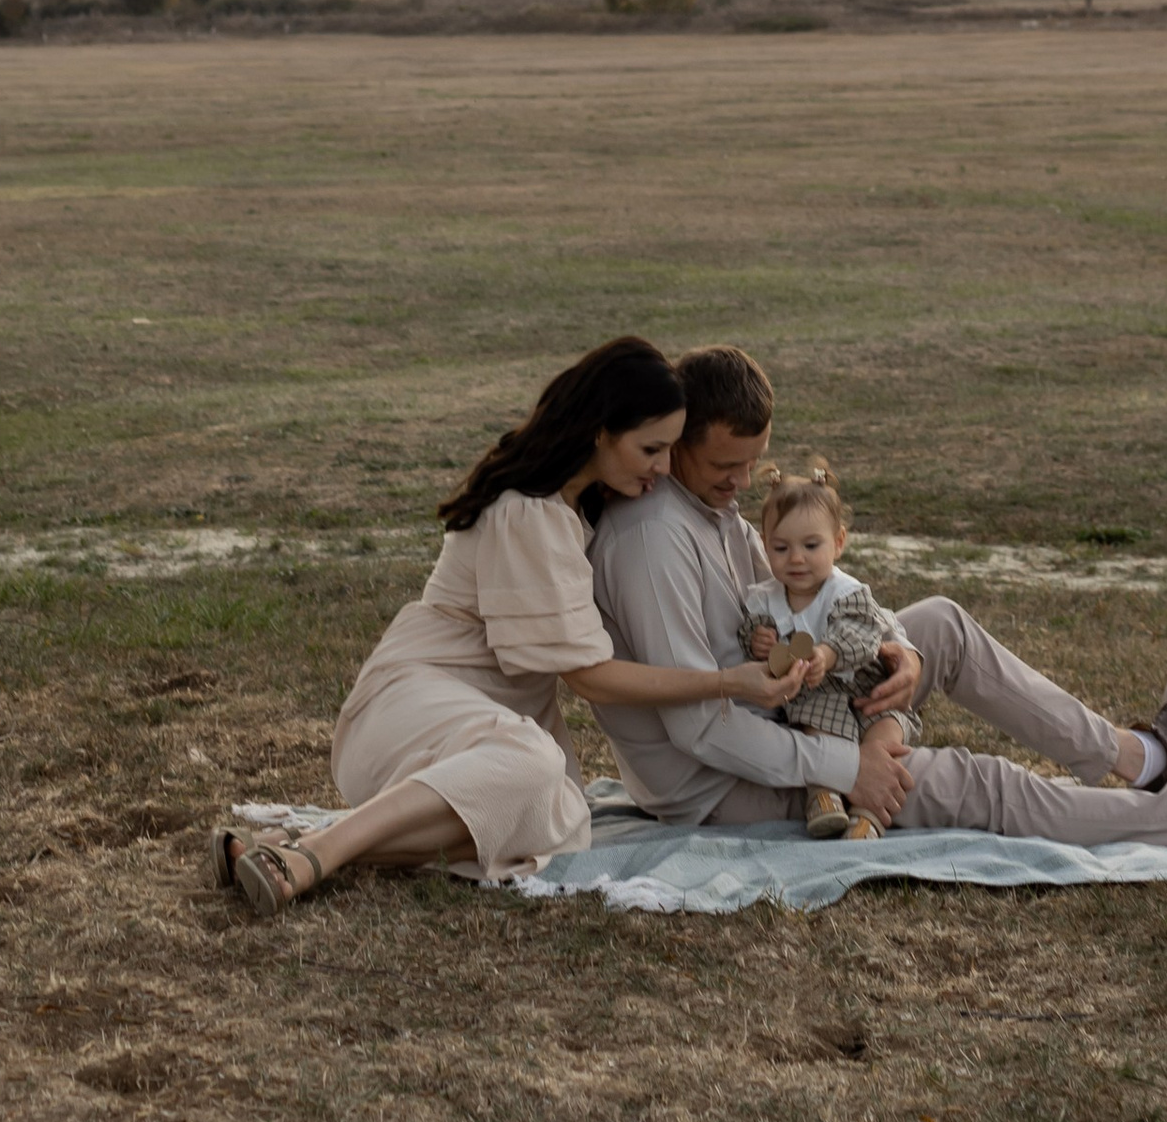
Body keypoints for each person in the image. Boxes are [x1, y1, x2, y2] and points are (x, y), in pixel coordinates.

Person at [587, 344, 1167, 849]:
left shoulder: (712, 508)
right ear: (680, 439)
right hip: (726, 787)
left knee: (938, 627)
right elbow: (700, 731)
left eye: (753, 464)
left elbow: (803, 599)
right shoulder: (652, 539)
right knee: (969, 783)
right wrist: (848, 768)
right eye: (727, 464)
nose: (743, 483)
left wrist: (900, 652)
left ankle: (1144, 757)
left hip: (790, 706)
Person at [210, 334, 826, 917]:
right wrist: (729, 684)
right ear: (598, 433)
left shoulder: (582, 502)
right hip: (415, 707)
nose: (663, 469)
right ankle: (314, 858)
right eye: (650, 450)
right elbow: (591, 679)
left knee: (560, 819)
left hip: (491, 725)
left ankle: (306, 842)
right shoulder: (526, 511)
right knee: (532, 765)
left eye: (670, 450)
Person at [737, 460, 921, 840]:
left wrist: (829, 654)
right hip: (817, 692)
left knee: (887, 731)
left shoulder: (846, 592)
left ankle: (869, 815)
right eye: (781, 547)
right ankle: (823, 796)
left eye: (811, 545)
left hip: (868, 687)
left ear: (838, 542)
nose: (797, 558)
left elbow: (862, 634)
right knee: (816, 724)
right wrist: (759, 640)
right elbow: (751, 629)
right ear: (764, 543)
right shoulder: (765, 598)